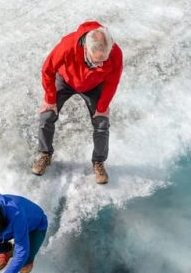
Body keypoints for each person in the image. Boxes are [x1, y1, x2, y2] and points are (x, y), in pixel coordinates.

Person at [31, 21, 123, 184]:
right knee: (47, 115)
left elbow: (112, 82)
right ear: (86, 49)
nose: (100, 64)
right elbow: (48, 70)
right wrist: (50, 99)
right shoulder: (68, 45)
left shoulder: (115, 53)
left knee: (101, 122)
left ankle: (98, 162)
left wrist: (102, 108)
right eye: (96, 62)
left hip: (94, 85)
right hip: (66, 80)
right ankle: (45, 154)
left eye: (104, 60)